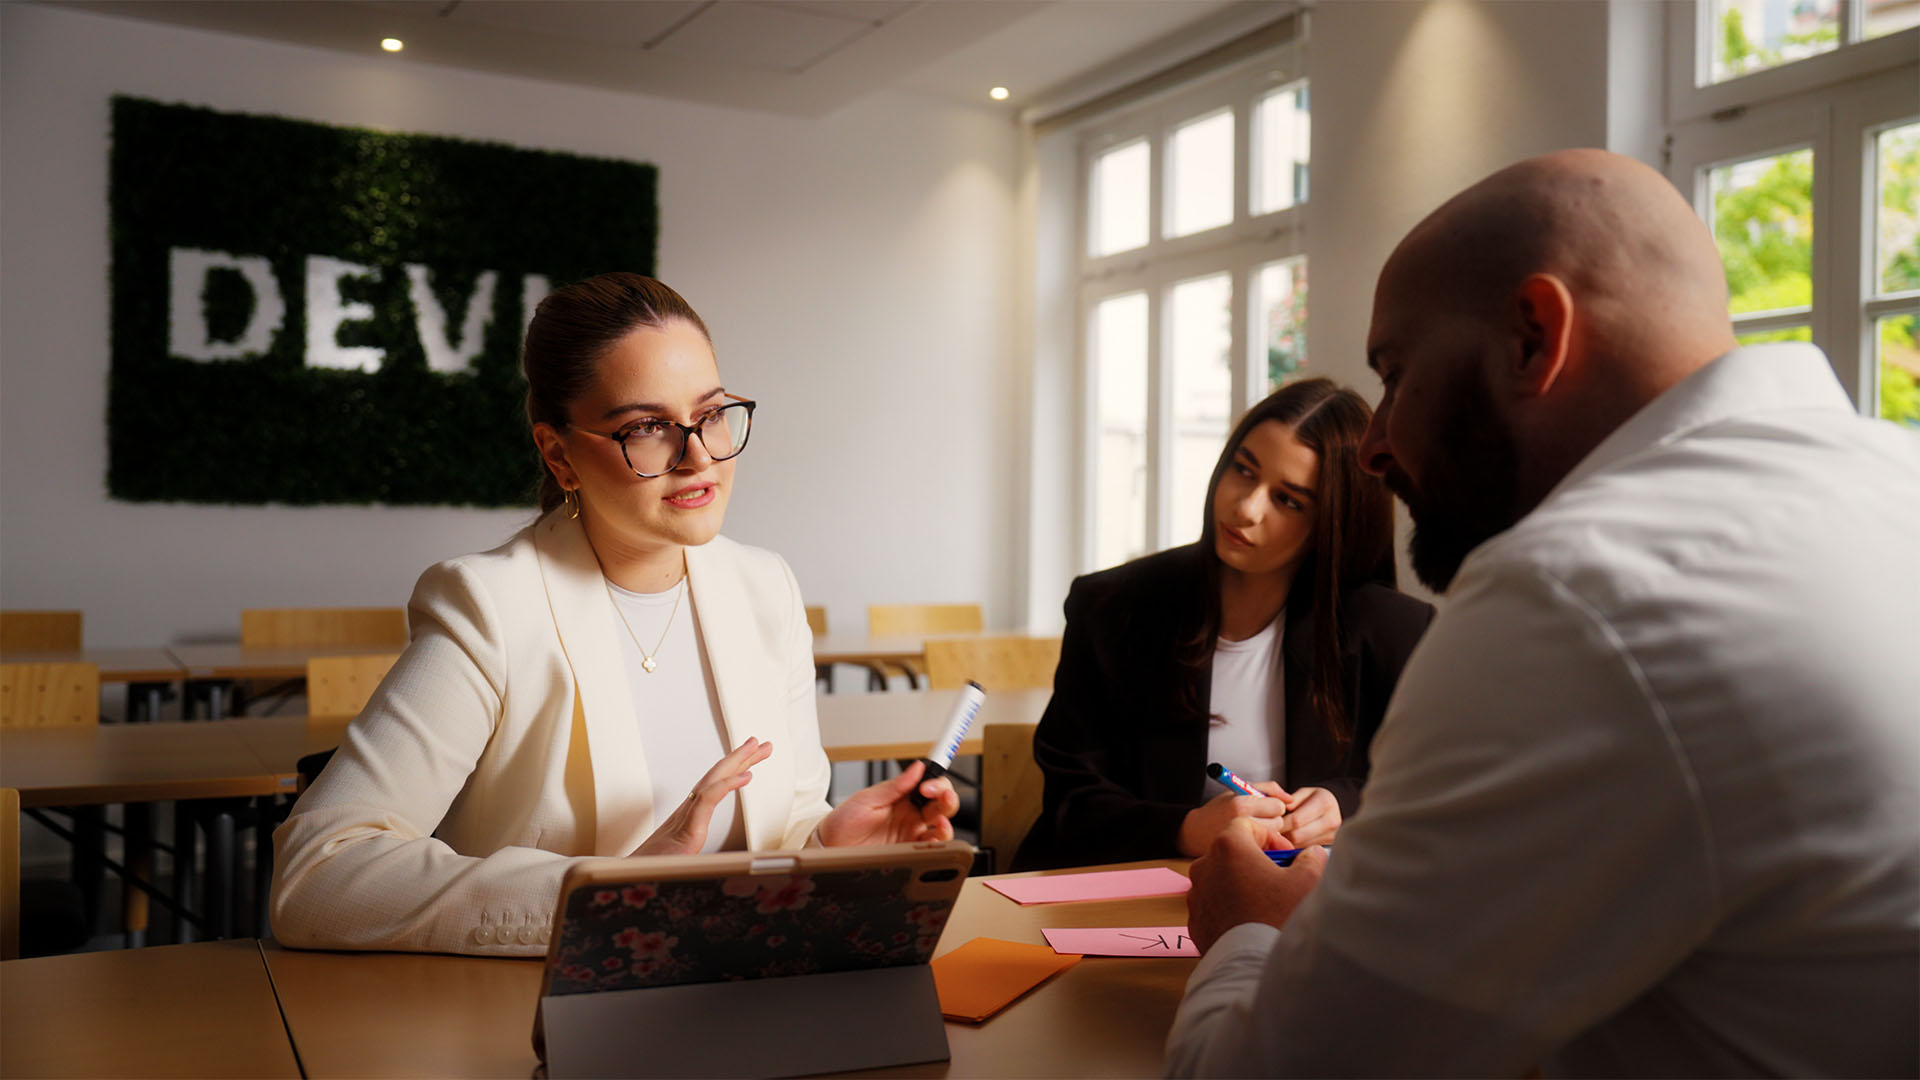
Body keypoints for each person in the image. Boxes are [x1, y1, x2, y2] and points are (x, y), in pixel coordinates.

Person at [1168, 149, 1920, 1076]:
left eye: (1396, 374)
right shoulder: (1895, 483)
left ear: (1533, 336)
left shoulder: (1573, 596)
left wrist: (1251, 932)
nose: (1375, 448)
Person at [271, 273, 957, 956]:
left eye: (712, 414)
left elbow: (777, 831)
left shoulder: (764, 588)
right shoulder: (491, 606)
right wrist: (610, 894)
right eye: (647, 428)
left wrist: (826, 845)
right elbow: (316, 875)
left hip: (739, 1002)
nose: (698, 458)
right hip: (537, 1028)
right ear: (560, 455)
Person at [1014, 378, 1434, 871]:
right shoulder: (1113, 607)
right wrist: (1187, 828)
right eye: (1243, 470)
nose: (1245, 508)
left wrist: (1344, 804)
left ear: (1334, 524)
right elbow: (1072, 802)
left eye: (1289, 500)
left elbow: (1432, 784)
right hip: (1129, 904)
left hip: (1306, 914)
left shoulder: (1391, 630)